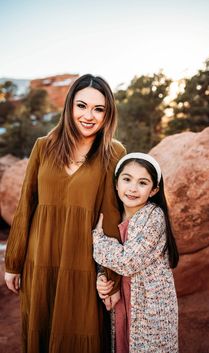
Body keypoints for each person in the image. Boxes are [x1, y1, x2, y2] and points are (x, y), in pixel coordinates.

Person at [4, 74, 126, 353]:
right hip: (40, 257)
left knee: (80, 335)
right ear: (70, 106)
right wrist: (14, 260)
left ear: (108, 114)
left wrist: (111, 277)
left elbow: (111, 216)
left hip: (82, 261)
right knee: (41, 332)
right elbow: (27, 205)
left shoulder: (113, 152)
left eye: (99, 109)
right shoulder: (43, 146)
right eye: (82, 106)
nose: (89, 116)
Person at [93, 152, 179, 353]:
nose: (132, 188)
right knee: (122, 343)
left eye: (142, 183)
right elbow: (107, 261)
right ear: (116, 183)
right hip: (123, 298)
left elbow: (127, 261)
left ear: (153, 190)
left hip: (148, 304)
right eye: (127, 179)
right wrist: (101, 276)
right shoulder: (114, 215)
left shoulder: (153, 217)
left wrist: (96, 239)